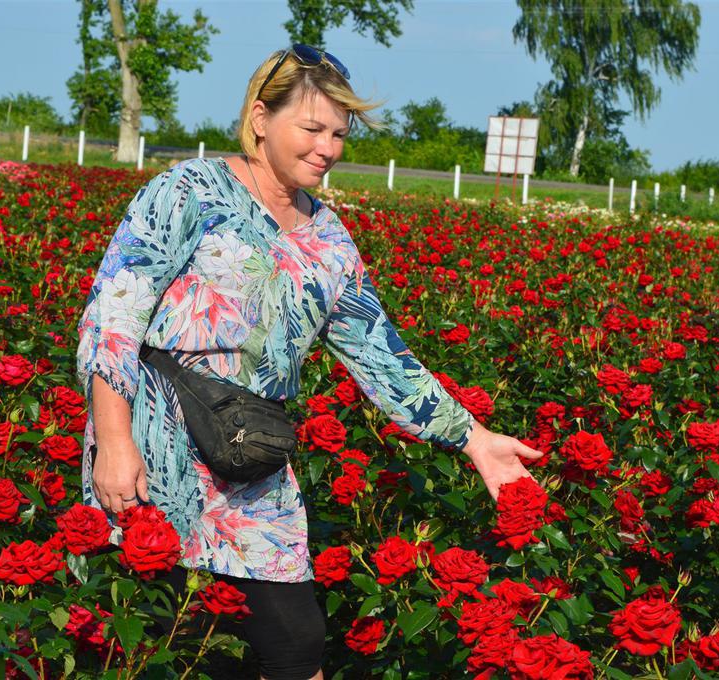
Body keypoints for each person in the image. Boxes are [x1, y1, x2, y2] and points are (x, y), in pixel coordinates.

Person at [75, 44, 544, 680]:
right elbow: (115, 316)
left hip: (251, 459)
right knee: (170, 639)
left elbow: (382, 357)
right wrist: (113, 440)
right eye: (312, 128)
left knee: (295, 645)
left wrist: (475, 439)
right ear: (261, 118)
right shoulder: (189, 190)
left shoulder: (329, 240)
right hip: (158, 448)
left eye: (339, 135)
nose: (327, 147)